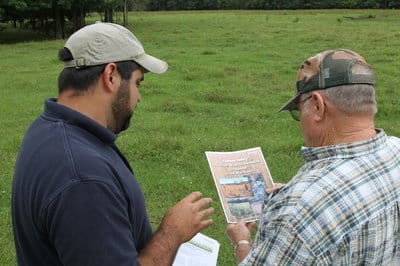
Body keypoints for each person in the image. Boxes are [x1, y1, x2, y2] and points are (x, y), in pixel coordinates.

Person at [12, 22, 214, 266]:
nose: (139, 97)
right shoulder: (84, 179)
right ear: (110, 76)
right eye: (138, 83)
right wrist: (172, 233)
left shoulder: (47, 127)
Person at [226, 48, 400, 265]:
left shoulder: (296, 215)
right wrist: (296, 191)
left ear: (317, 105)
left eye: (299, 111)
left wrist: (242, 242)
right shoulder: (396, 150)